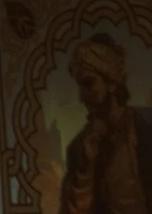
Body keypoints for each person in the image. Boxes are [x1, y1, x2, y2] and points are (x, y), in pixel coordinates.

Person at [62, 33, 152, 212]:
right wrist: (85, 170)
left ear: (111, 83)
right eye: (80, 86)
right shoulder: (79, 149)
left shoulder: (146, 131)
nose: (82, 97)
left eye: (88, 84)